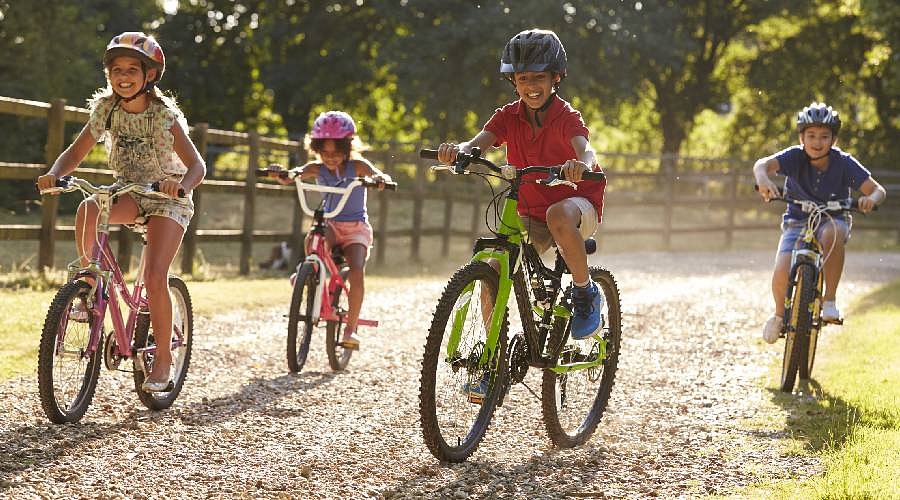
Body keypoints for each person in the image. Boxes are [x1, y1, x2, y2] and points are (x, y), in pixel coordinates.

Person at [36, 32, 206, 392]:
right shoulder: (106, 109)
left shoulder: (164, 116)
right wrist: (56, 174)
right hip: (128, 190)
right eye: (116, 69)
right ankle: (89, 283)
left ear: (150, 76)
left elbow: (198, 166)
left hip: (166, 196)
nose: (123, 75)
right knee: (87, 209)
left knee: (156, 275)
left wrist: (182, 186)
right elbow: (76, 150)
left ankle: (162, 362)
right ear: (108, 74)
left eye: (132, 68)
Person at [754, 102, 886, 344]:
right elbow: (761, 165)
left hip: (833, 218)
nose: (817, 142)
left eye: (824, 136)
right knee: (782, 268)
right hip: (797, 221)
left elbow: (878, 190)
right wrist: (763, 179)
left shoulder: (844, 162)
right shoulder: (794, 156)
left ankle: (830, 301)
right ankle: (779, 316)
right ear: (801, 137)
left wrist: (870, 199)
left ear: (833, 140)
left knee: (832, 233)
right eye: (811, 136)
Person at [277, 110, 392, 350]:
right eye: (324, 152)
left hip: (355, 228)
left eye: (336, 153)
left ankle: (350, 330)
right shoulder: (317, 168)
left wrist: (380, 178)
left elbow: (376, 173)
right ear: (316, 149)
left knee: (357, 269)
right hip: (331, 223)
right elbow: (295, 173)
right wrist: (284, 174)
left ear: (347, 147)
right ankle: (306, 271)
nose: (330, 158)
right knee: (314, 237)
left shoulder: (358, 166)